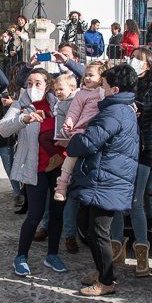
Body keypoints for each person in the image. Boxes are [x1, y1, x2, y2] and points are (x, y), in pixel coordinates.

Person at [69, 64, 140, 296]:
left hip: (107, 179)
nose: (102, 89)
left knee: (98, 231)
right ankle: (102, 270)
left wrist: (72, 140)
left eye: (105, 86)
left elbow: (89, 142)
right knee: (88, 226)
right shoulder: (123, 109)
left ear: (115, 89)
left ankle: (106, 281)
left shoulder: (115, 112)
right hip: (106, 177)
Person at [108, 48, 152, 275]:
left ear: (149, 65)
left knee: (136, 201)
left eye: (138, 58)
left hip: (143, 149)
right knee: (117, 201)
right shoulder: (123, 83)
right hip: (120, 149)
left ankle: (142, 257)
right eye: (132, 57)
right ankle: (116, 252)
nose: (133, 60)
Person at [0, 68, 68, 276]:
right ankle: (21, 256)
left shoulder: (58, 104)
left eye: (38, 83)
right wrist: (23, 120)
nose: (33, 87)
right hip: (34, 169)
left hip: (57, 167)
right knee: (34, 214)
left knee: (57, 214)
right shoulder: (21, 105)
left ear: (47, 85)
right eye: (29, 83)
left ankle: (52, 254)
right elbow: (2, 128)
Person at [53, 63, 105, 201]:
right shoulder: (81, 94)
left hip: (99, 131)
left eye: (91, 75)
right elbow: (74, 111)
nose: (87, 78)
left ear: (101, 77)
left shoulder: (105, 92)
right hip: (81, 129)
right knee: (71, 156)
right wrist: (69, 122)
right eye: (86, 75)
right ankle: (61, 185)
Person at [0, 62, 26, 210]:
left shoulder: (20, 93)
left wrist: (13, 103)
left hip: (5, 137)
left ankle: (18, 194)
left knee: (10, 168)